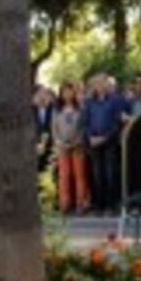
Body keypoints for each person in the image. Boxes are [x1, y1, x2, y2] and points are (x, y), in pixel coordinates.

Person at [82, 73, 123, 211]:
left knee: (110, 174)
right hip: (93, 143)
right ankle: (99, 205)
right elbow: (85, 123)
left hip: (109, 142)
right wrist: (91, 137)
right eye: (96, 83)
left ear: (106, 84)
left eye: (102, 83)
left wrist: (105, 137)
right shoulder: (89, 102)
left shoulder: (114, 100)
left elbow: (117, 123)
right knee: (97, 174)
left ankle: (111, 204)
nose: (99, 85)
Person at [52, 81, 89, 214]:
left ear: (74, 93)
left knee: (79, 175)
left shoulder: (80, 108)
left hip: (77, 146)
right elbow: (54, 129)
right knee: (64, 176)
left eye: (70, 91)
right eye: (64, 91)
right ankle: (64, 204)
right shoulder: (56, 110)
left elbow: (83, 128)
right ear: (61, 94)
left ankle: (80, 204)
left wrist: (76, 141)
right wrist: (59, 142)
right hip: (62, 146)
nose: (67, 94)